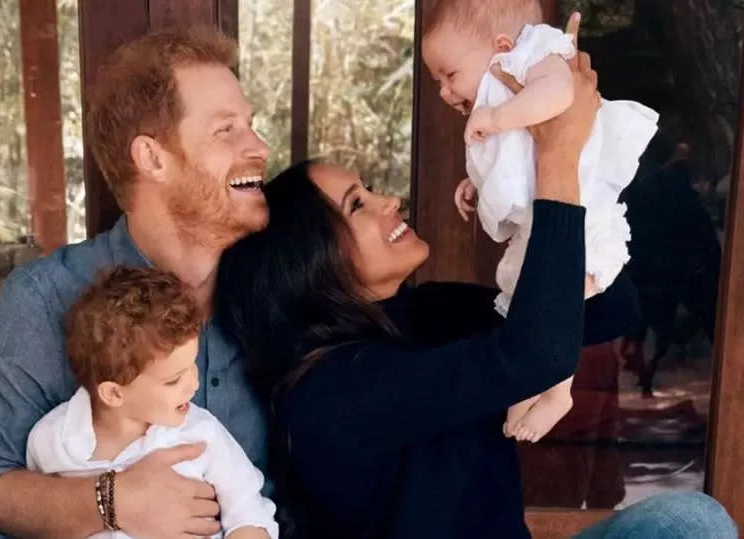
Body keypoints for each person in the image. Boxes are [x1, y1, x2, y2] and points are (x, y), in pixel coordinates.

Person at [215, 24, 737, 539]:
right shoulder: (333, 392)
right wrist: (556, 155)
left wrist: (550, 173)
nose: (388, 201)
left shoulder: (426, 312)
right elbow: (538, 355)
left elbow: (608, 311)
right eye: (358, 204)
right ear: (310, 262)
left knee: (688, 522)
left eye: (370, 188)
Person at [0, 28, 271, 538]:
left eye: (251, 125)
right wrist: (111, 500)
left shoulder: (276, 291)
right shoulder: (42, 299)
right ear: (152, 158)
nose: (260, 147)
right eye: (226, 130)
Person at [421, 0, 658, 442]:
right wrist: (476, 182)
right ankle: (531, 384)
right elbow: (518, 160)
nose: (444, 93)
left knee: (558, 299)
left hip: (582, 215)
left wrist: (495, 117)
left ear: (502, 46)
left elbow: (559, 95)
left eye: (449, 75)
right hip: (547, 216)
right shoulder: (505, 90)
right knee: (527, 297)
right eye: (437, 81)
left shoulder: (538, 55)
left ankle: (557, 391)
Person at [26, 267, 278, 539]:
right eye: (173, 380)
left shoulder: (200, 434)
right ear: (113, 393)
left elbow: (248, 509)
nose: (194, 384)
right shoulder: (51, 441)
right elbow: (37, 521)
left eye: (193, 365)